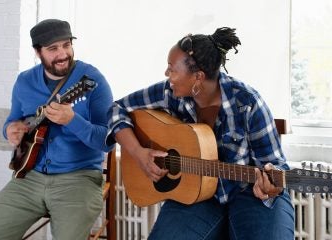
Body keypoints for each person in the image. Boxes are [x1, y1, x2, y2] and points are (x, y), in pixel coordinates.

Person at [106, 27, 294, 239]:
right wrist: (138, 152)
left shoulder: (247, 102)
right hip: (196, 195)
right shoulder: (169, 92)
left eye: (172, 69)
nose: (167, 75)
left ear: (198, 77)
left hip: (249, 193)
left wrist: (271, 186)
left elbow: (277, 166)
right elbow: (115, 109)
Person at [0, 19, 114, 240]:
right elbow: (13, 120)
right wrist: (9, 130)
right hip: (29, 177)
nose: (63, 54)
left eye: (67, 45)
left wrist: (72, 120)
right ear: (38, 52)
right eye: (53, 48)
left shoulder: (92, 80)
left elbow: (107, 141)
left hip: (78, 179)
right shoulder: (25, 81)